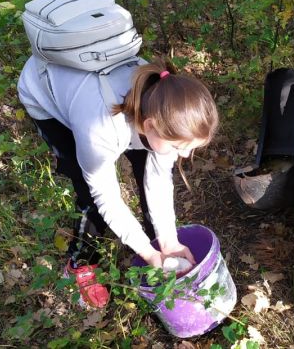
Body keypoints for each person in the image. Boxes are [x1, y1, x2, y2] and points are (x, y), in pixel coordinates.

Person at [17, 56, 219, 308]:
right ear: (150, 125)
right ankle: (80, 264)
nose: (185, 155)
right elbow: (106, 198)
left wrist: (168, 240)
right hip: (46, 95)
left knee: (148, 165)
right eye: (179, 146)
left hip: (100, 101)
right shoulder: (100, 130)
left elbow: (157, 181)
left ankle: (155, 240)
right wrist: (146, 252)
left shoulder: (161, 99)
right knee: (88, 193)